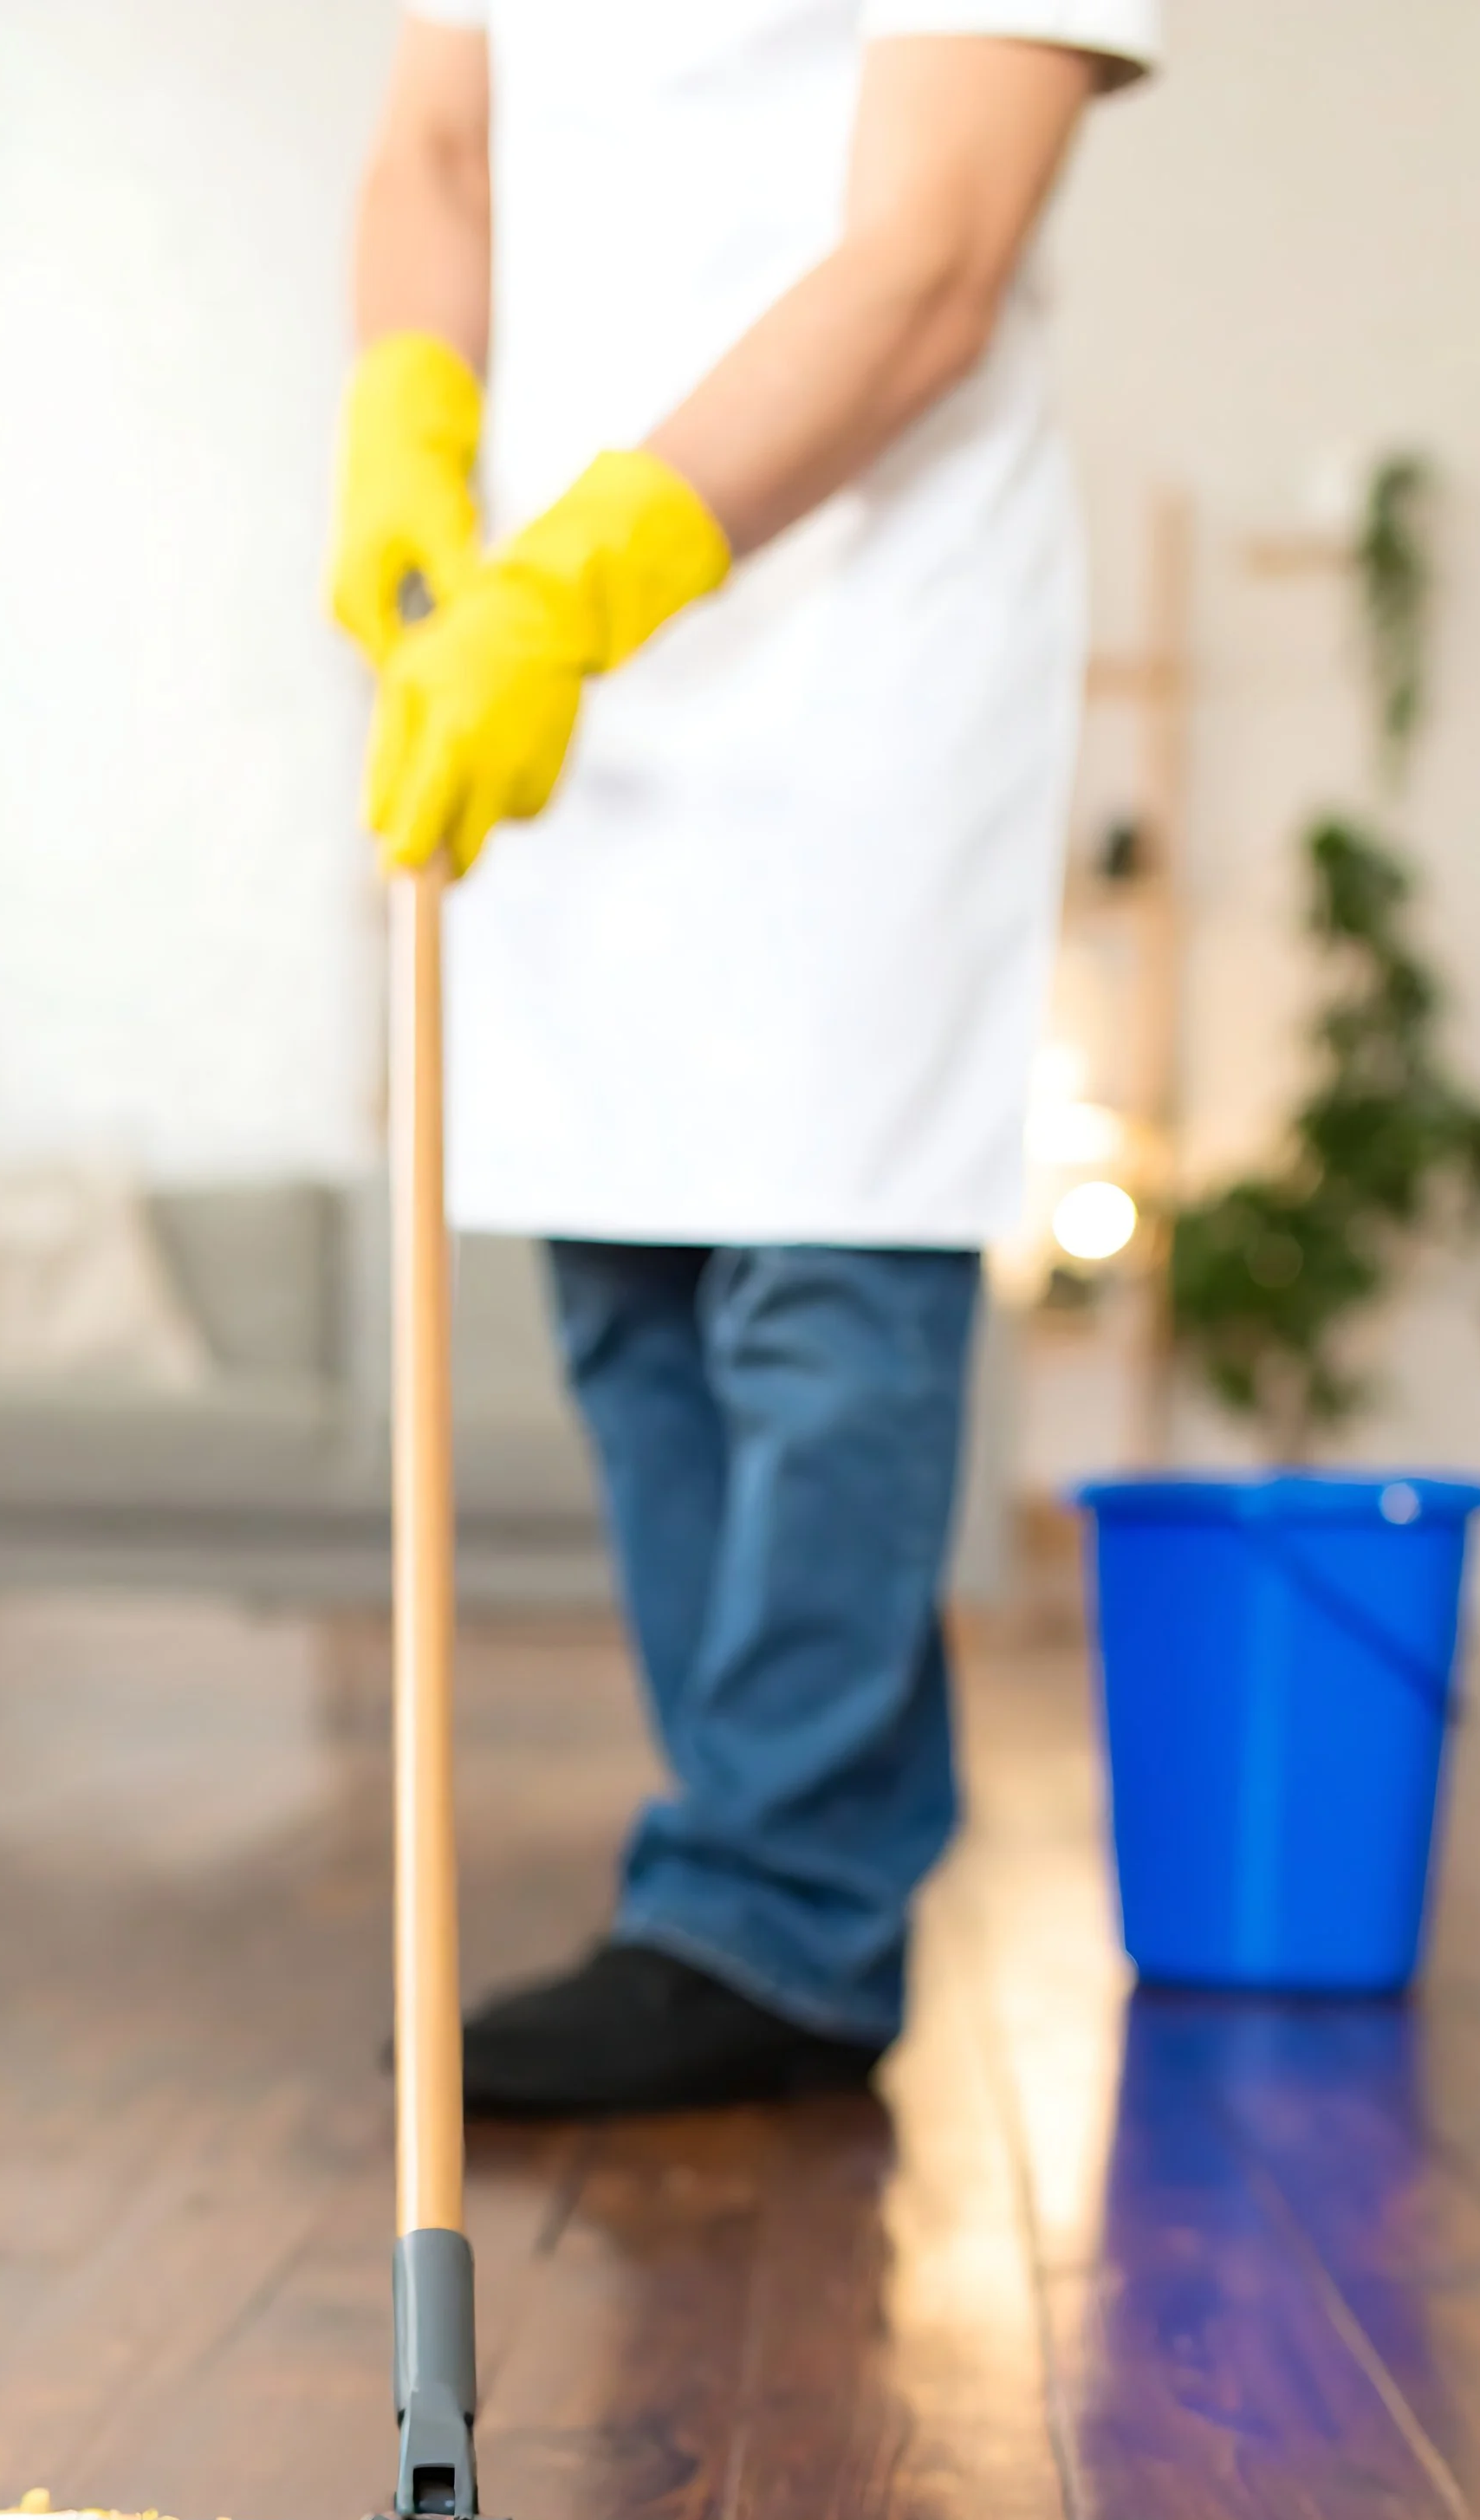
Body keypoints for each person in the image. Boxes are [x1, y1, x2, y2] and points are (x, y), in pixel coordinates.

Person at [331, 0, 1156, 2114]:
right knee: (620, 1280)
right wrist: (402, 420)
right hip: (543, 642)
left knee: (819, 1267)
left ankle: (773, 1908)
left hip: (843, 620)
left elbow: (931, 262)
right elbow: (443, 133)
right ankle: (760, 1890)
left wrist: (583, 589)